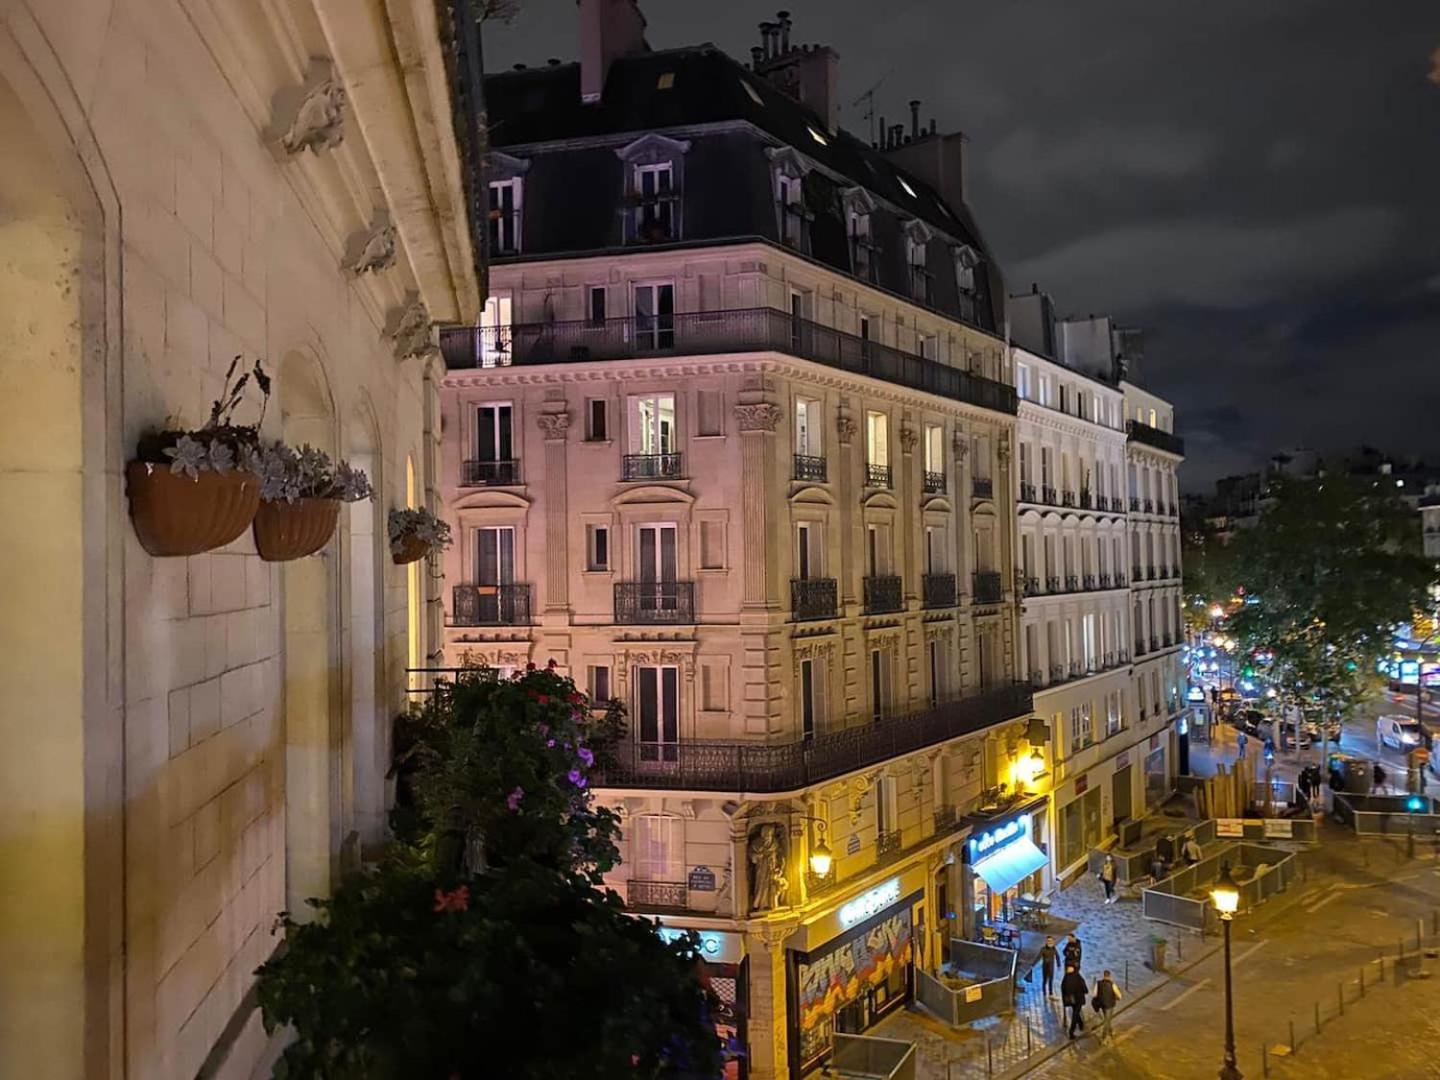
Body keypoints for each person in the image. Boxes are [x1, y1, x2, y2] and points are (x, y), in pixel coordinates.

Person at [1093, 969, 1122, 1043]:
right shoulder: (1112, 984)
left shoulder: (1098, 983)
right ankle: (1104, 1037)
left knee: (1107, 1018)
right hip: (1110, 1005)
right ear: (1109, 976)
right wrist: (1117, 998)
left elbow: (1094, 994)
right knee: (1107, 1020)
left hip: (1102, 1004)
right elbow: (1119, 996)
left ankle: (1111, 1031)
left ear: (1104, 975)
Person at [1061, 965, 1088, 1039]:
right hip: (1078, 998)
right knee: (1075, 1014)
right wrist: (1085, 991)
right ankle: (1071, 1031)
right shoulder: (1078, 977)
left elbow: (1063, 989)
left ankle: (1080, 1024)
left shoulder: (1065, 978)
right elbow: (1083, 986)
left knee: (1076, 1011)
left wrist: (1065, 998)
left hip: (1071, 999)